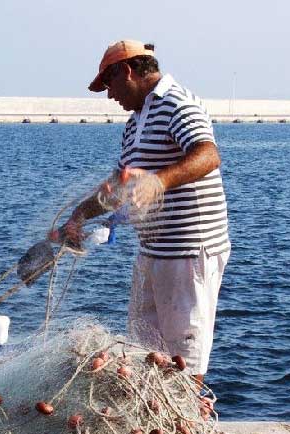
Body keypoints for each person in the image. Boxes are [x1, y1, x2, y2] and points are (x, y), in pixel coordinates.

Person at [60, 40, 230, 387]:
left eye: (109, 85)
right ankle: (162, 426)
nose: (109, 96)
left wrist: (159, 181)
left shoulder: (176, 103)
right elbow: (119, 186)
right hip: (152, 252)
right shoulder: (135, 122)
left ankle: (189, 430)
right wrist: (79, 215)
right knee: (146, 354)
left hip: (187, 253)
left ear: (126, 71)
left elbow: (209, 154)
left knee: (185, 359)